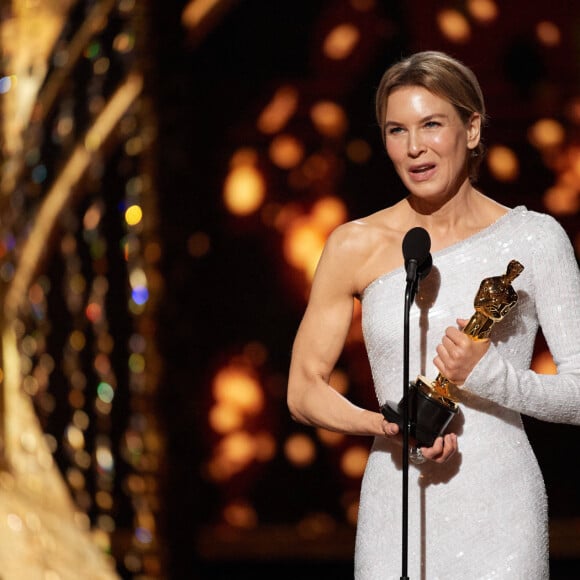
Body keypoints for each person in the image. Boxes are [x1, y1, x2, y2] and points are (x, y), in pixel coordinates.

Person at [287, 50, 580, 579]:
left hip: (501, 510)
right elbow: (302, 390)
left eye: (431, 125)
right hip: (395, 502)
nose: (415, 147)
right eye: (397, 130)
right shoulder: (355, 244)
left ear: (471, 129)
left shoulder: (534, 239)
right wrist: (383, 425)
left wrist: (491, 376)